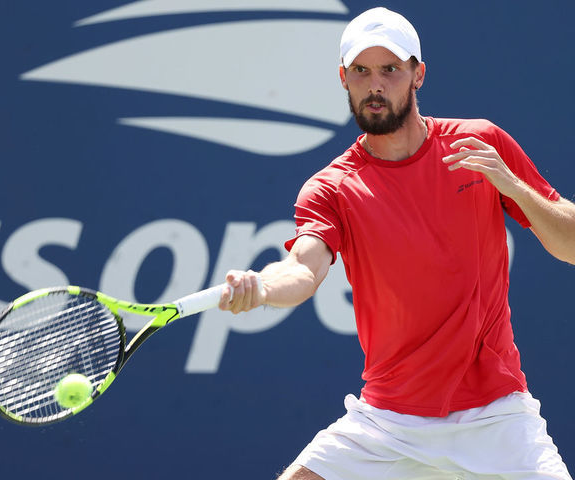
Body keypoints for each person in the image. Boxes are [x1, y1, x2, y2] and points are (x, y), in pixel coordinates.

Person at [219, 7, 575, 480]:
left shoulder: (478, 143)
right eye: (362, 71)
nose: (376, 85)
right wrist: (261, 287)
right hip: (388, 424)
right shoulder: (331, 188)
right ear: (344, 79)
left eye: (390, 69)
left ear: (417, 75)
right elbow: (303, 270)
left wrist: (512, 186)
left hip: (497, 415)